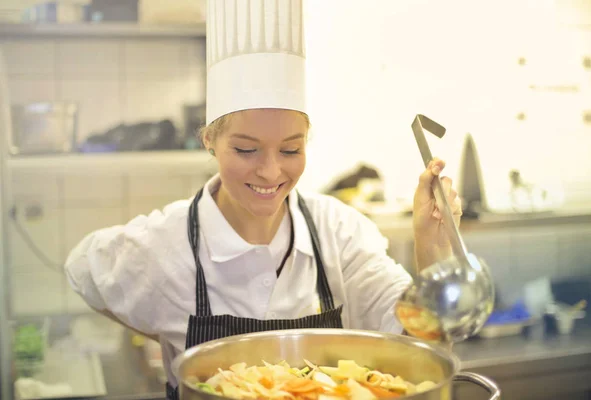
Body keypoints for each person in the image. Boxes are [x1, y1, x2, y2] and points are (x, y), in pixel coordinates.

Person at [63, 1, 462, 398]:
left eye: (290, 151)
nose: (271, 172)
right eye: (246, 150)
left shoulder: (339, 233)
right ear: (210, 142)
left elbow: (421, 354)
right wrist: (158, 327)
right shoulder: (166, 244)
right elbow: (82, 267)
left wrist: (433, 252)